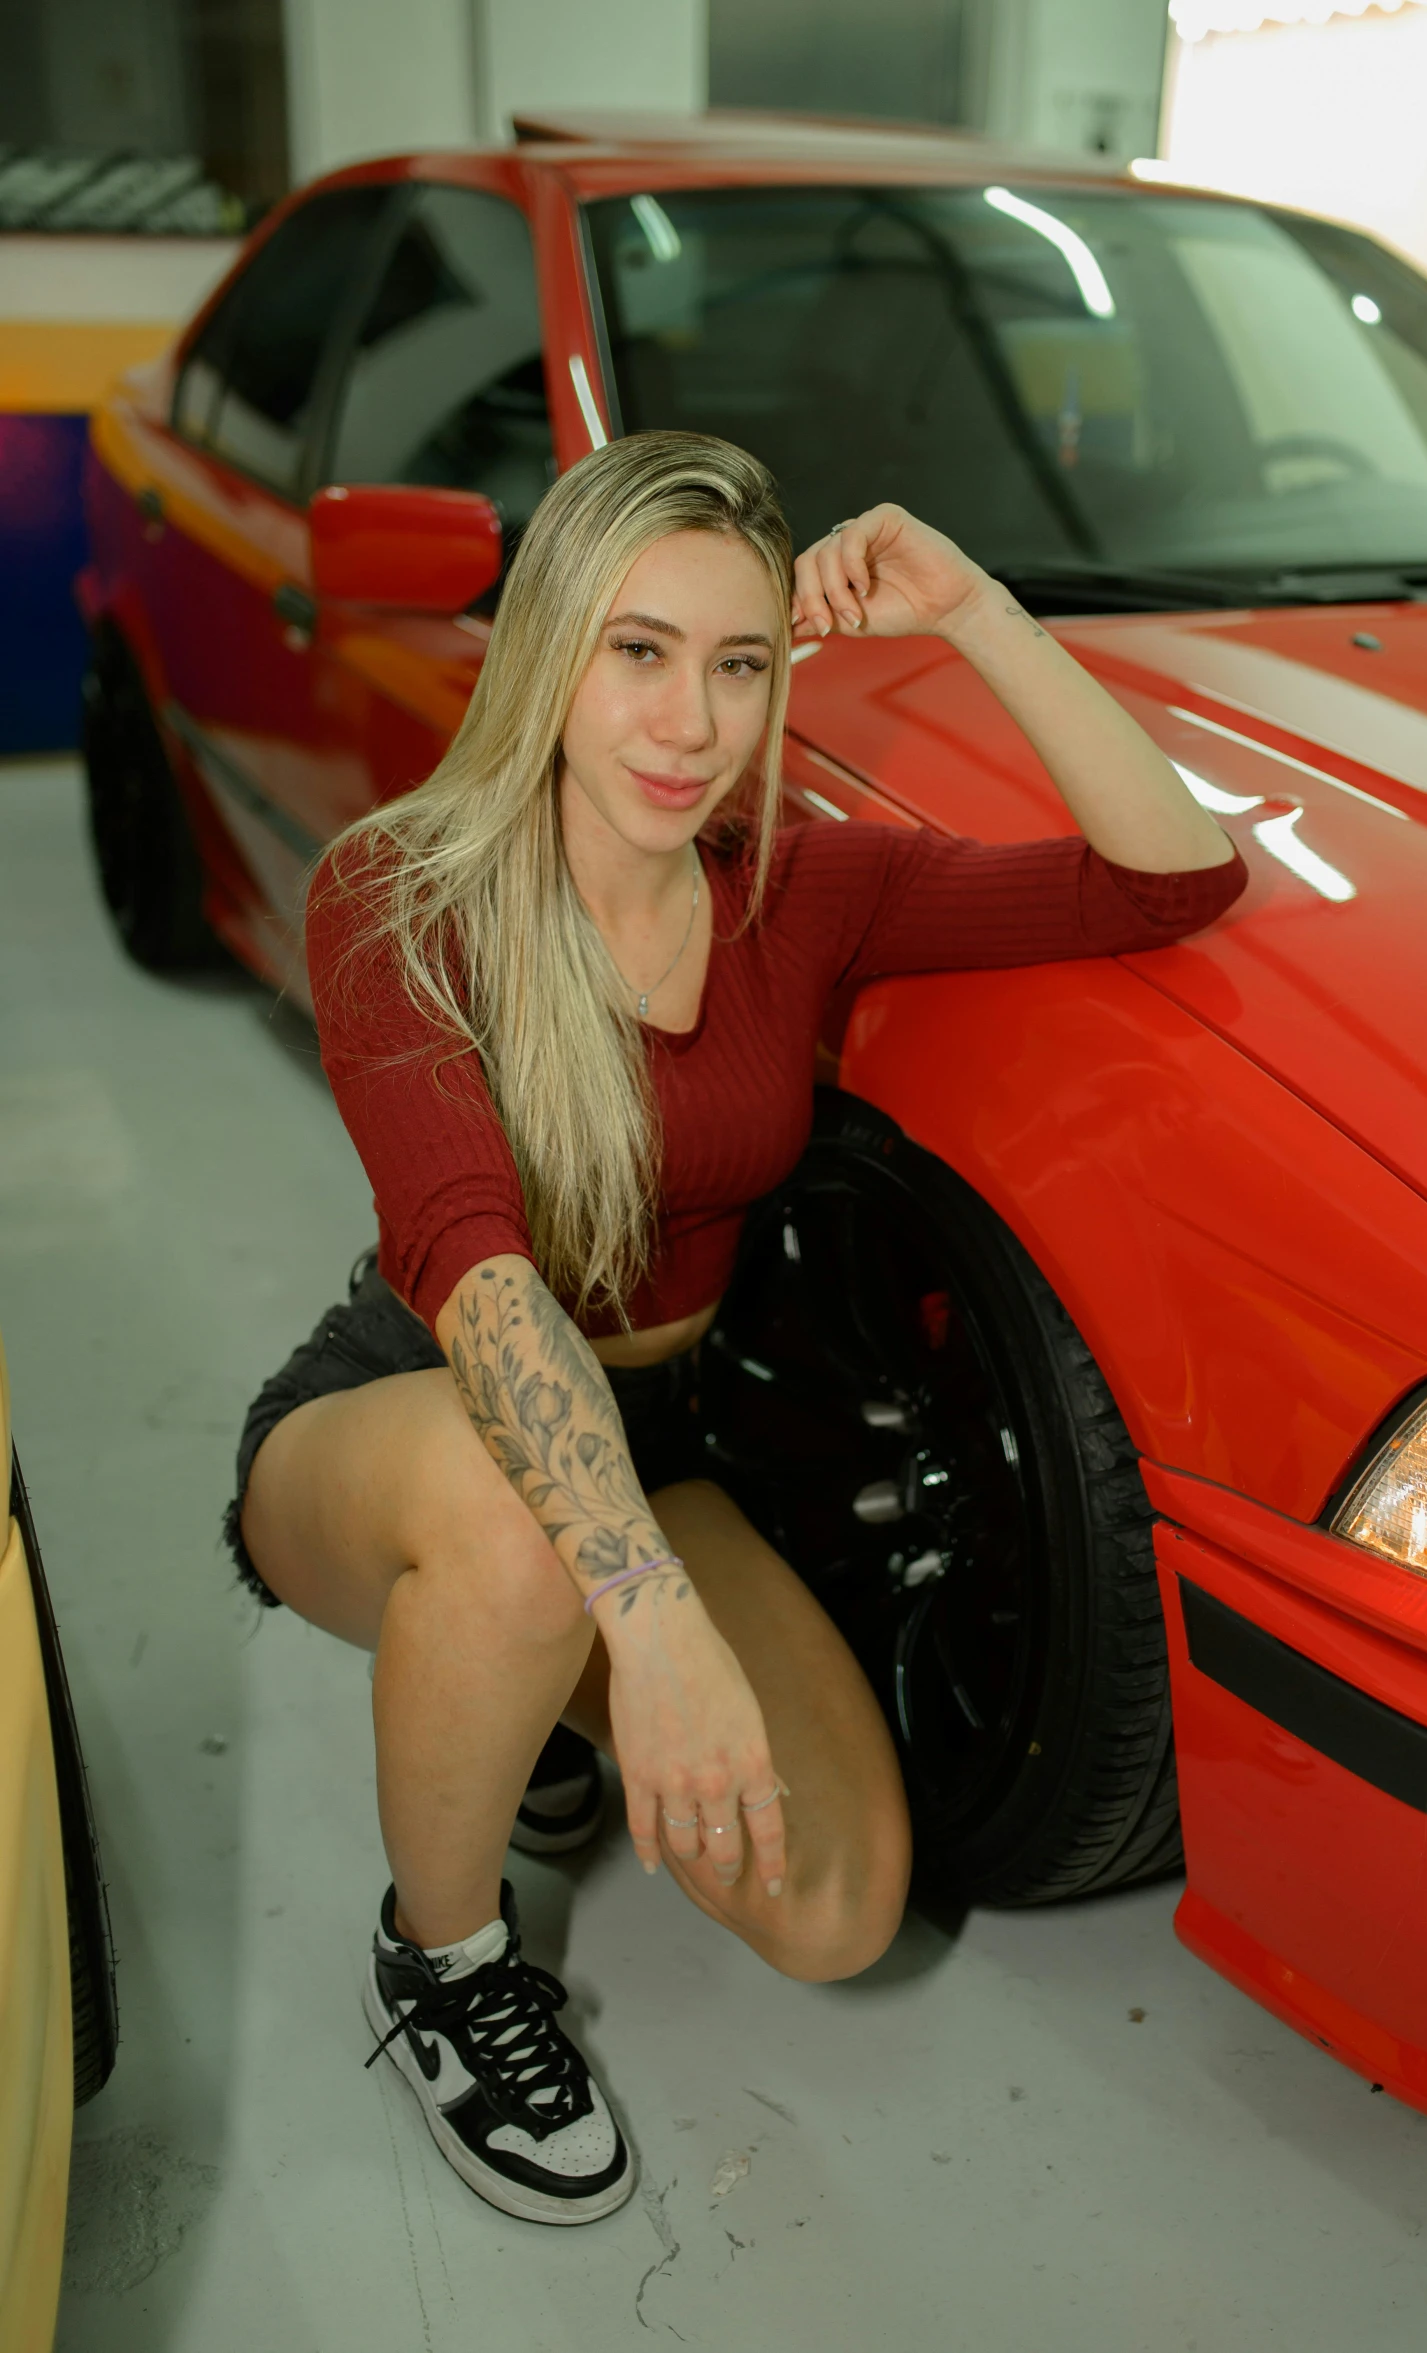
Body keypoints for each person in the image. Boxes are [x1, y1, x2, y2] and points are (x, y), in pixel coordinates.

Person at [225, 431, 1245, 2227]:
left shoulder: (801, 885)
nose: (688, 723)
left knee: (835, 1909)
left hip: (671, 1436)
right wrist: (651, 1614)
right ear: (549, 647)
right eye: (636, 651)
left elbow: (1168, 882)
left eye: (740, 662)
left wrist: (978, 611)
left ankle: (533, 1693)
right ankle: (445, 1961)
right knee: (512, 1541)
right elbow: (476, 1267)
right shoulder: (401, 897)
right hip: (405, 1422)